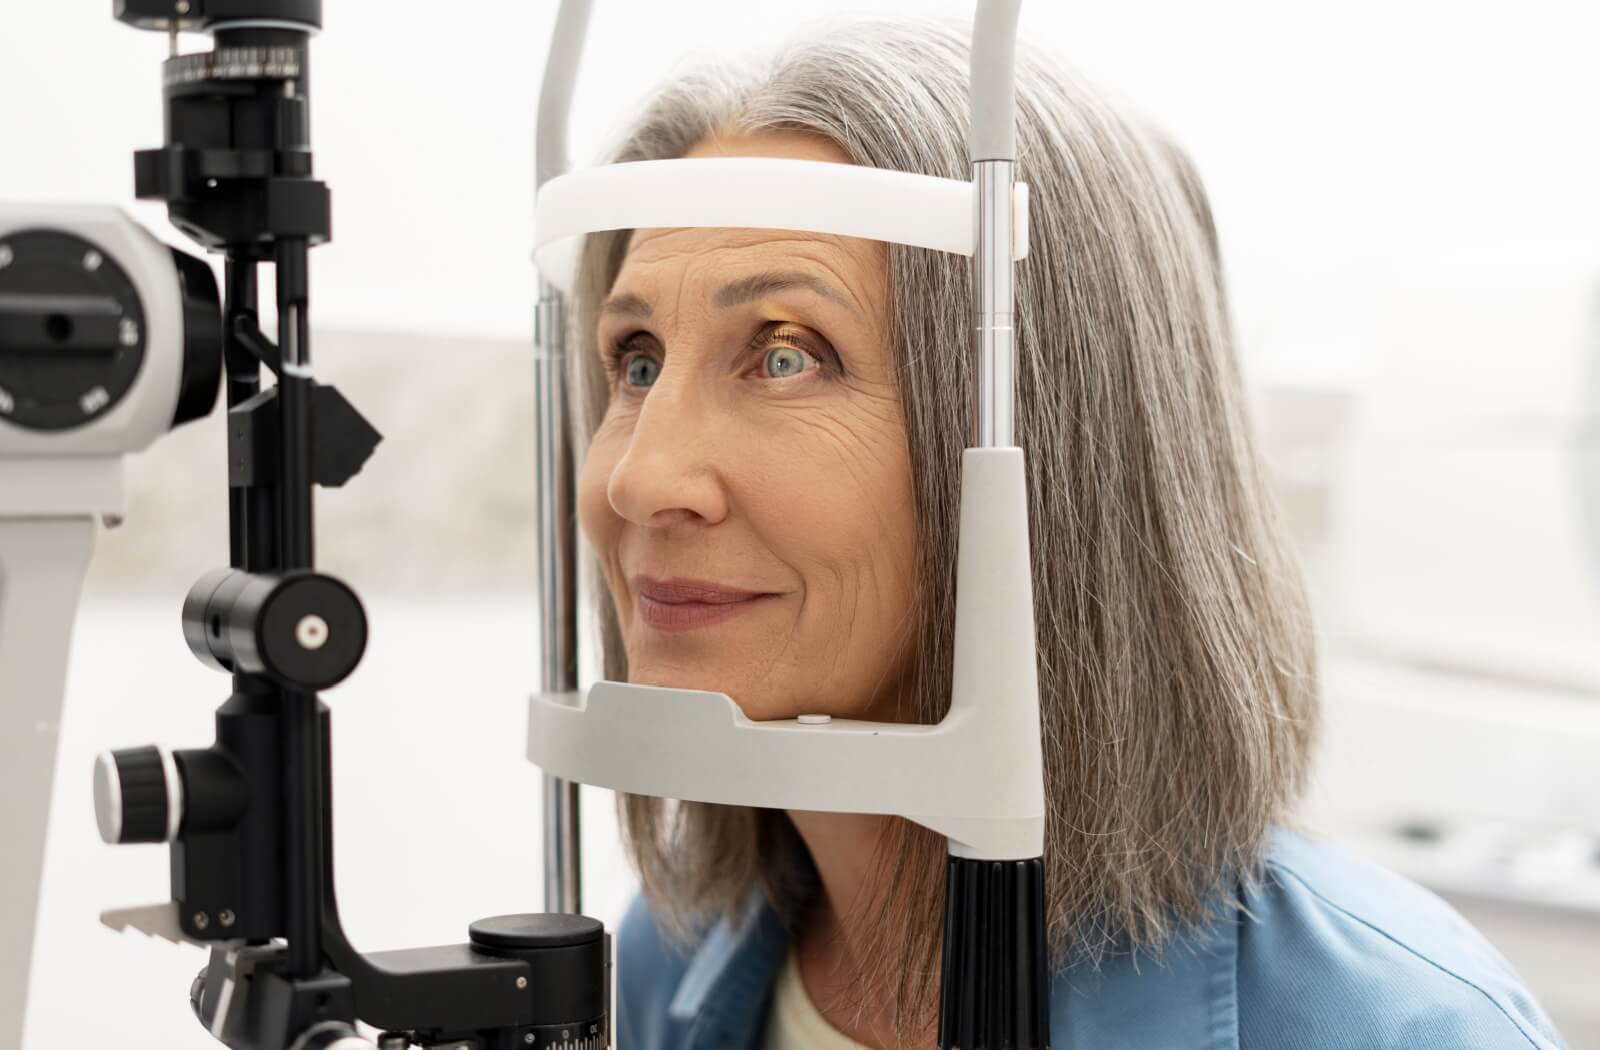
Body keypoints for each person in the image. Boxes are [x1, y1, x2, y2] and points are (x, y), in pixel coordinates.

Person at [563, 17, 1567, 1050]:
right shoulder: (665, 958)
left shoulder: (1405, 1029)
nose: (639, 479)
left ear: (1060, 440)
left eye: (785, 355)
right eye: (636, 360)